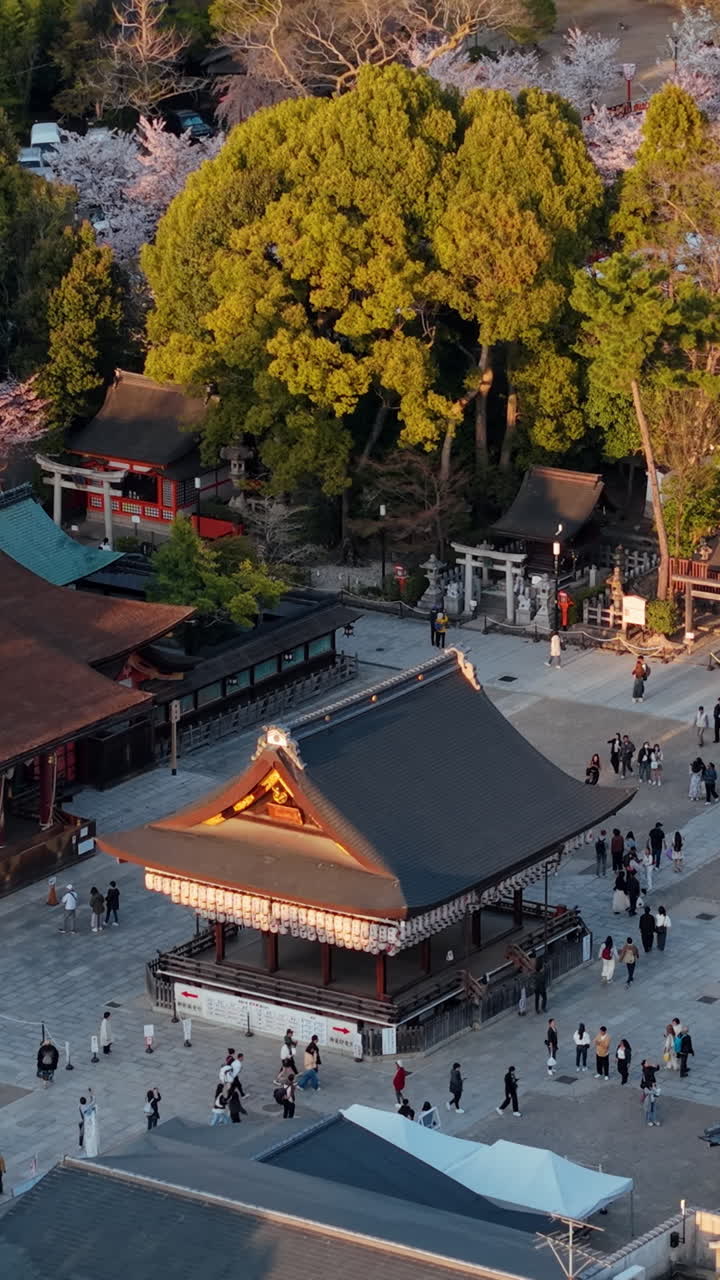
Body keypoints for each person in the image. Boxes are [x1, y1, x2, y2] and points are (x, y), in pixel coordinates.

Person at [79, 1090, 99, 1156]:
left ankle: (80, 1145)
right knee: (85, 1133)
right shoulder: (88, 1106)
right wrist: (91, 1093)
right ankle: (86, 1146)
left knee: (81, 1133)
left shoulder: (80, 1106)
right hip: (87, 1122)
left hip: (82, 1121)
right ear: (85, 1101)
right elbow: (94, 1100)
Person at [641, 1061, 660, 1126]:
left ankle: (654, 1120)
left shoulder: (650, 1068)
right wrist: (652, 1085)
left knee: (654, 1108)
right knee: (648, 1109)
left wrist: (656, 1065)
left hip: (653, 1090)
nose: (648, 1063)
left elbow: (657, 1069)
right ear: (644, 1065)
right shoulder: (644, 1072)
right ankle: (649, 1120)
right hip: (648, 1092)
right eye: (646, 1062)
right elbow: (644, 1084)